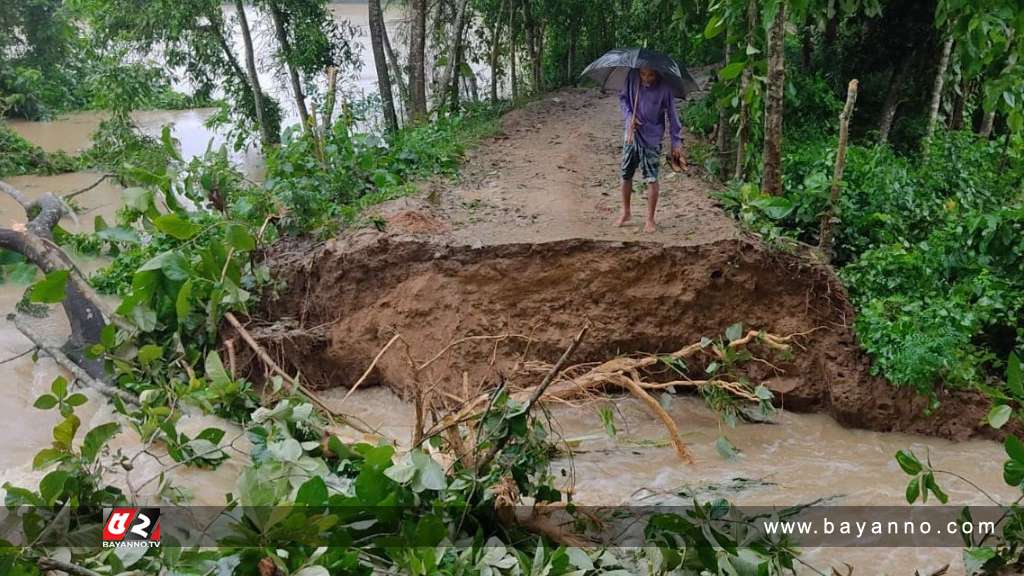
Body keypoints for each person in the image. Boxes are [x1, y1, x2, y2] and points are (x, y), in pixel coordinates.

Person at [617, 66, 685, 233]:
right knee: (626, 174)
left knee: (651, 178)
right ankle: (625, 212)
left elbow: (672, 115)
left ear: (657, 74)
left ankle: (650, 219)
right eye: (643, 74)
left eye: (651, 75)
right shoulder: (632, 77)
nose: (646, 78)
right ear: (638, 72)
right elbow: (623, 99)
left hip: (652, 137)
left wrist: (676, 142)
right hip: (631, 135)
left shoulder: (665, 88)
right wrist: (629, 117)